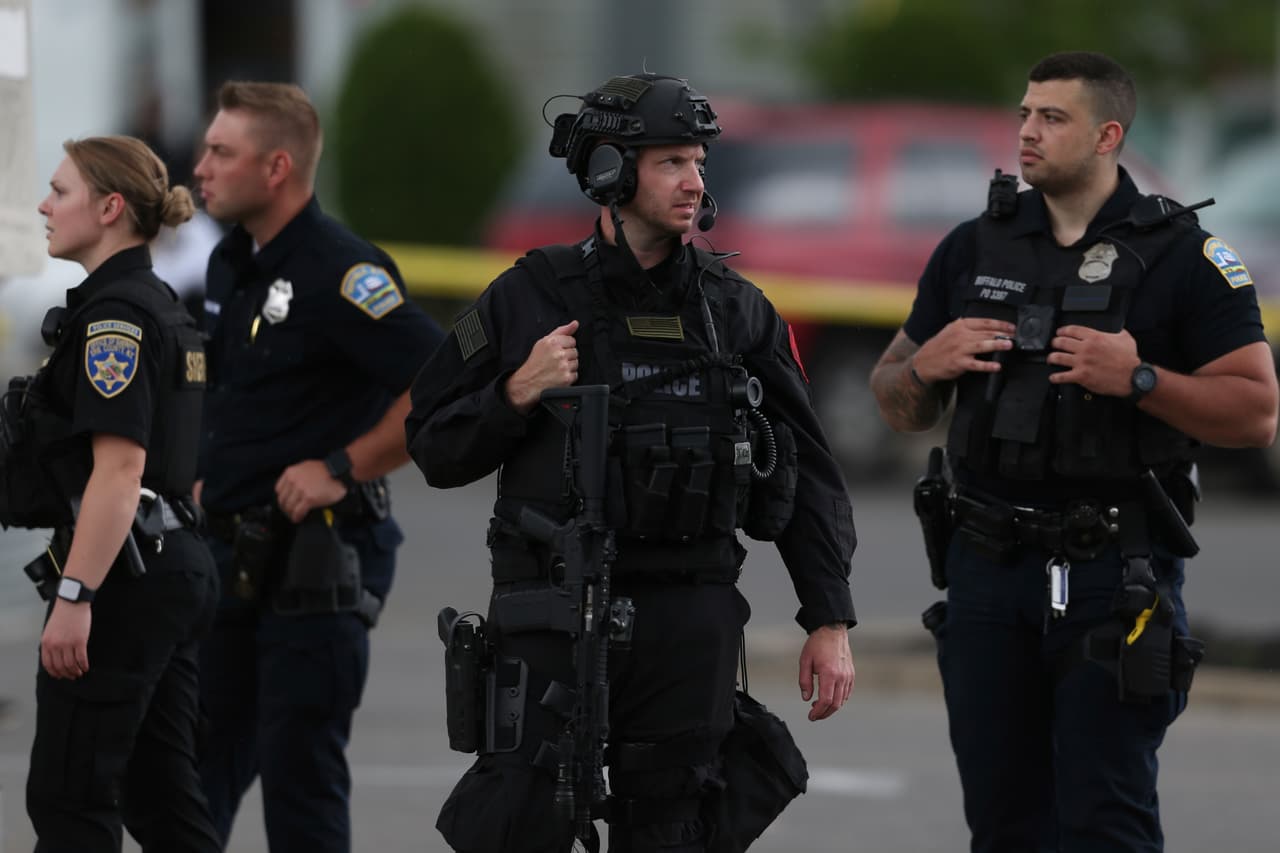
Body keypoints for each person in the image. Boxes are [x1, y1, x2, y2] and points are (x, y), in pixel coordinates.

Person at [406, 72, 858, 852]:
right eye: (672, 162)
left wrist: (829, 615)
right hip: (555, 605)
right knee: (521, 819)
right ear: (612, 171)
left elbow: (808, 470)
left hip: (690, 617)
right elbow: (433, 444)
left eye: (699, 162)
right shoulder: (530, 297)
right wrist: (518, 391)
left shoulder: (736, 310)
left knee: (678, 823)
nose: (695, 181)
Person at [869, 51, 1279, 852]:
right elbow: (895, 400)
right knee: (1002, 819)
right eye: (1024, 113)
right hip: (985, 570)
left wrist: (1140, 377)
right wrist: (925, 364)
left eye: (1051, 118)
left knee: (1104, 820)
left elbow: (1258, 412)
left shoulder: (1184, 256)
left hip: (1112, 575)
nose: (1027, 131)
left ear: (1107, 135)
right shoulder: (971, 247)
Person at [190, 81, 444, 851]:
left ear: (275, 169)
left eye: (219, 152)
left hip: (314, 565)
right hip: (230, 555)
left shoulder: (343, 273)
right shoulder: (234, 262)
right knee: (193, 775)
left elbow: (439, 383)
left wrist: (345, 463)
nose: (199, 166)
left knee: (299, 781)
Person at [10, 136, 221, 851]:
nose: (44, 204)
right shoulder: (157, 305)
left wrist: (76, 597)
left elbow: (122, 470)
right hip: (167, 562)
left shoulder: (116, 320)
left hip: (123, 577)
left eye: (60, 191)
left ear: (109, 207)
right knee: (162, 801)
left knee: (70, 797)